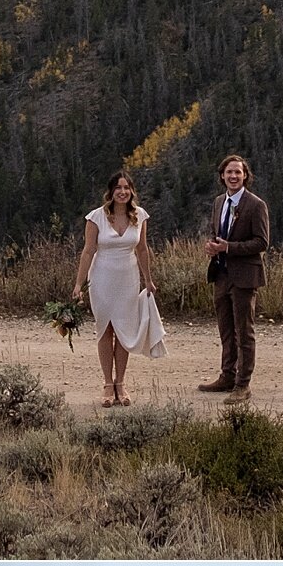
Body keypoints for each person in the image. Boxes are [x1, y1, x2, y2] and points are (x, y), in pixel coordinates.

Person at [72, 167, 166, 406]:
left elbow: (142, 249)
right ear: (111, 192)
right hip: (102, 278)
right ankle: (107, 384)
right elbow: (88, 250)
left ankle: (121, 382)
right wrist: (78, 284)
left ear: (132, 191)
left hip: (128, 279)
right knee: (105, 329)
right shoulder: (96, 217)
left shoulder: (140, 216)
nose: (122, 192)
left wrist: (148, 279)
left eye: (127, 188)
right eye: (118, 188)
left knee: (124, 331)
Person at [200, 155, 271, 395]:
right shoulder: (219, 202)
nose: (233, 176)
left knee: (244, 331)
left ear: (245, 176)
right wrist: (213, 247)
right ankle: (227, 376)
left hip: (244, 277)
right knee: (226, 330)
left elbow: (262, 242)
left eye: (238, 173)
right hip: (221, 274)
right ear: (222, 176)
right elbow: (217, 233)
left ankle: (243, 383)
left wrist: (229, 247)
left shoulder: (256, 205)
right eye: (229, 172)